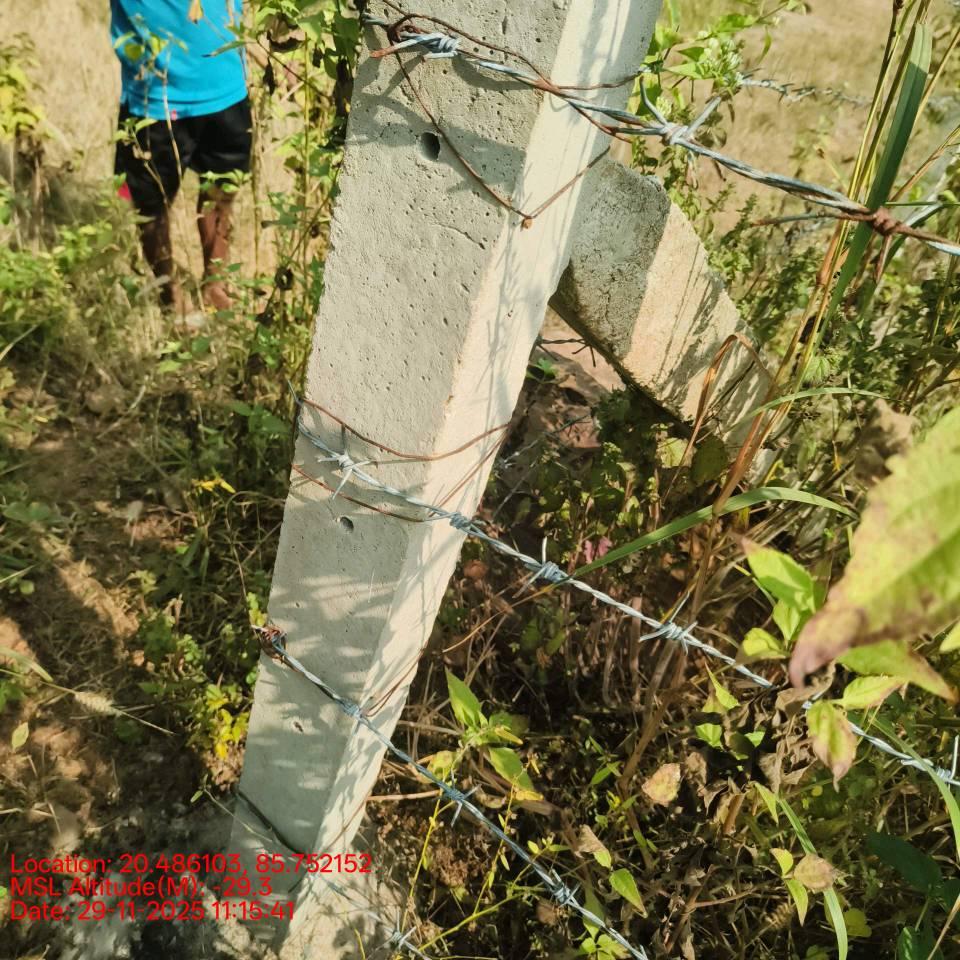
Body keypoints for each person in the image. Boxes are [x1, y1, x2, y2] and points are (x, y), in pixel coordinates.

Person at [110, 0, 252, 312]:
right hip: (154, 96)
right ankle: (170, 297)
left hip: (226, 84)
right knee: (151, 204)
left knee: (222, 190)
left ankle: (216, 285)